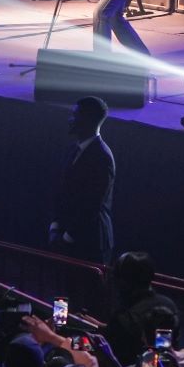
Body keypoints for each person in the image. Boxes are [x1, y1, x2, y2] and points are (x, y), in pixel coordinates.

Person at [48, 96, 115, 264]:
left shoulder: (102, 157)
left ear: (87, 120)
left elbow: (92, 204)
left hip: (90, 244)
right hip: (69, 237)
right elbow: (61, 191)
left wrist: (67, 237)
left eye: (75, 114)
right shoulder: (73, 149)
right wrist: (56, 227)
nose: (70, 119)